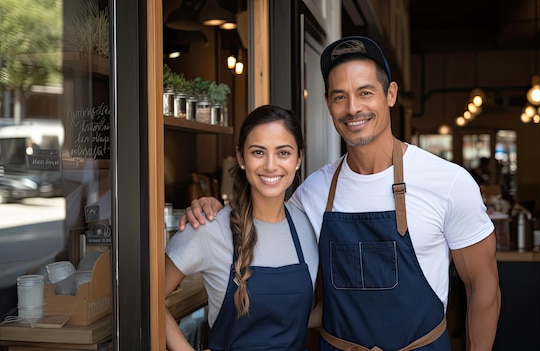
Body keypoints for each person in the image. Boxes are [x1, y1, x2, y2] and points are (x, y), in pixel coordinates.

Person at [179, 36, 500, 351]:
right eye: (339, 96)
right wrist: (214, 211)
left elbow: (483, 288)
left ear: (390, 94)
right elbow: (263, 231)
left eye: (365, 92)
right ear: (328, 104)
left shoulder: (448, 182)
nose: (353, 108)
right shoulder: (311, 194)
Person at [164, 105, 320, 350]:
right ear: (240, 157)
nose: (270, 165)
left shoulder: (307, 226)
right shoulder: (209, 228)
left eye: (283, 153)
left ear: (298, 159)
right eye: (258, 152)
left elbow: (298, 316)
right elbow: (149, 296)